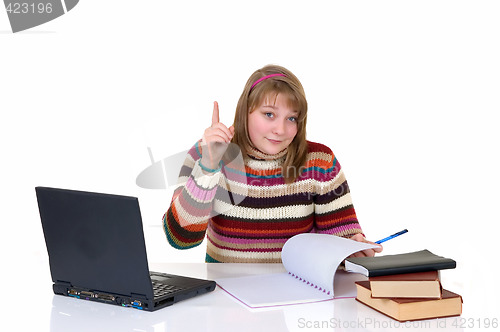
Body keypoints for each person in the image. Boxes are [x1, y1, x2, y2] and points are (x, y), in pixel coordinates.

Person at [163, 64, 382, 263]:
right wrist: (209, 167)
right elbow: (181, 239)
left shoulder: (320, 161)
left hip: (297, 295)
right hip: (225, 296)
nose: (281, 130)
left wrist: (353, 246)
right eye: (269, 114)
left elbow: (341, 237)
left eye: (291, 118)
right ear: (245, 111)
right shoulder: (207, 153)